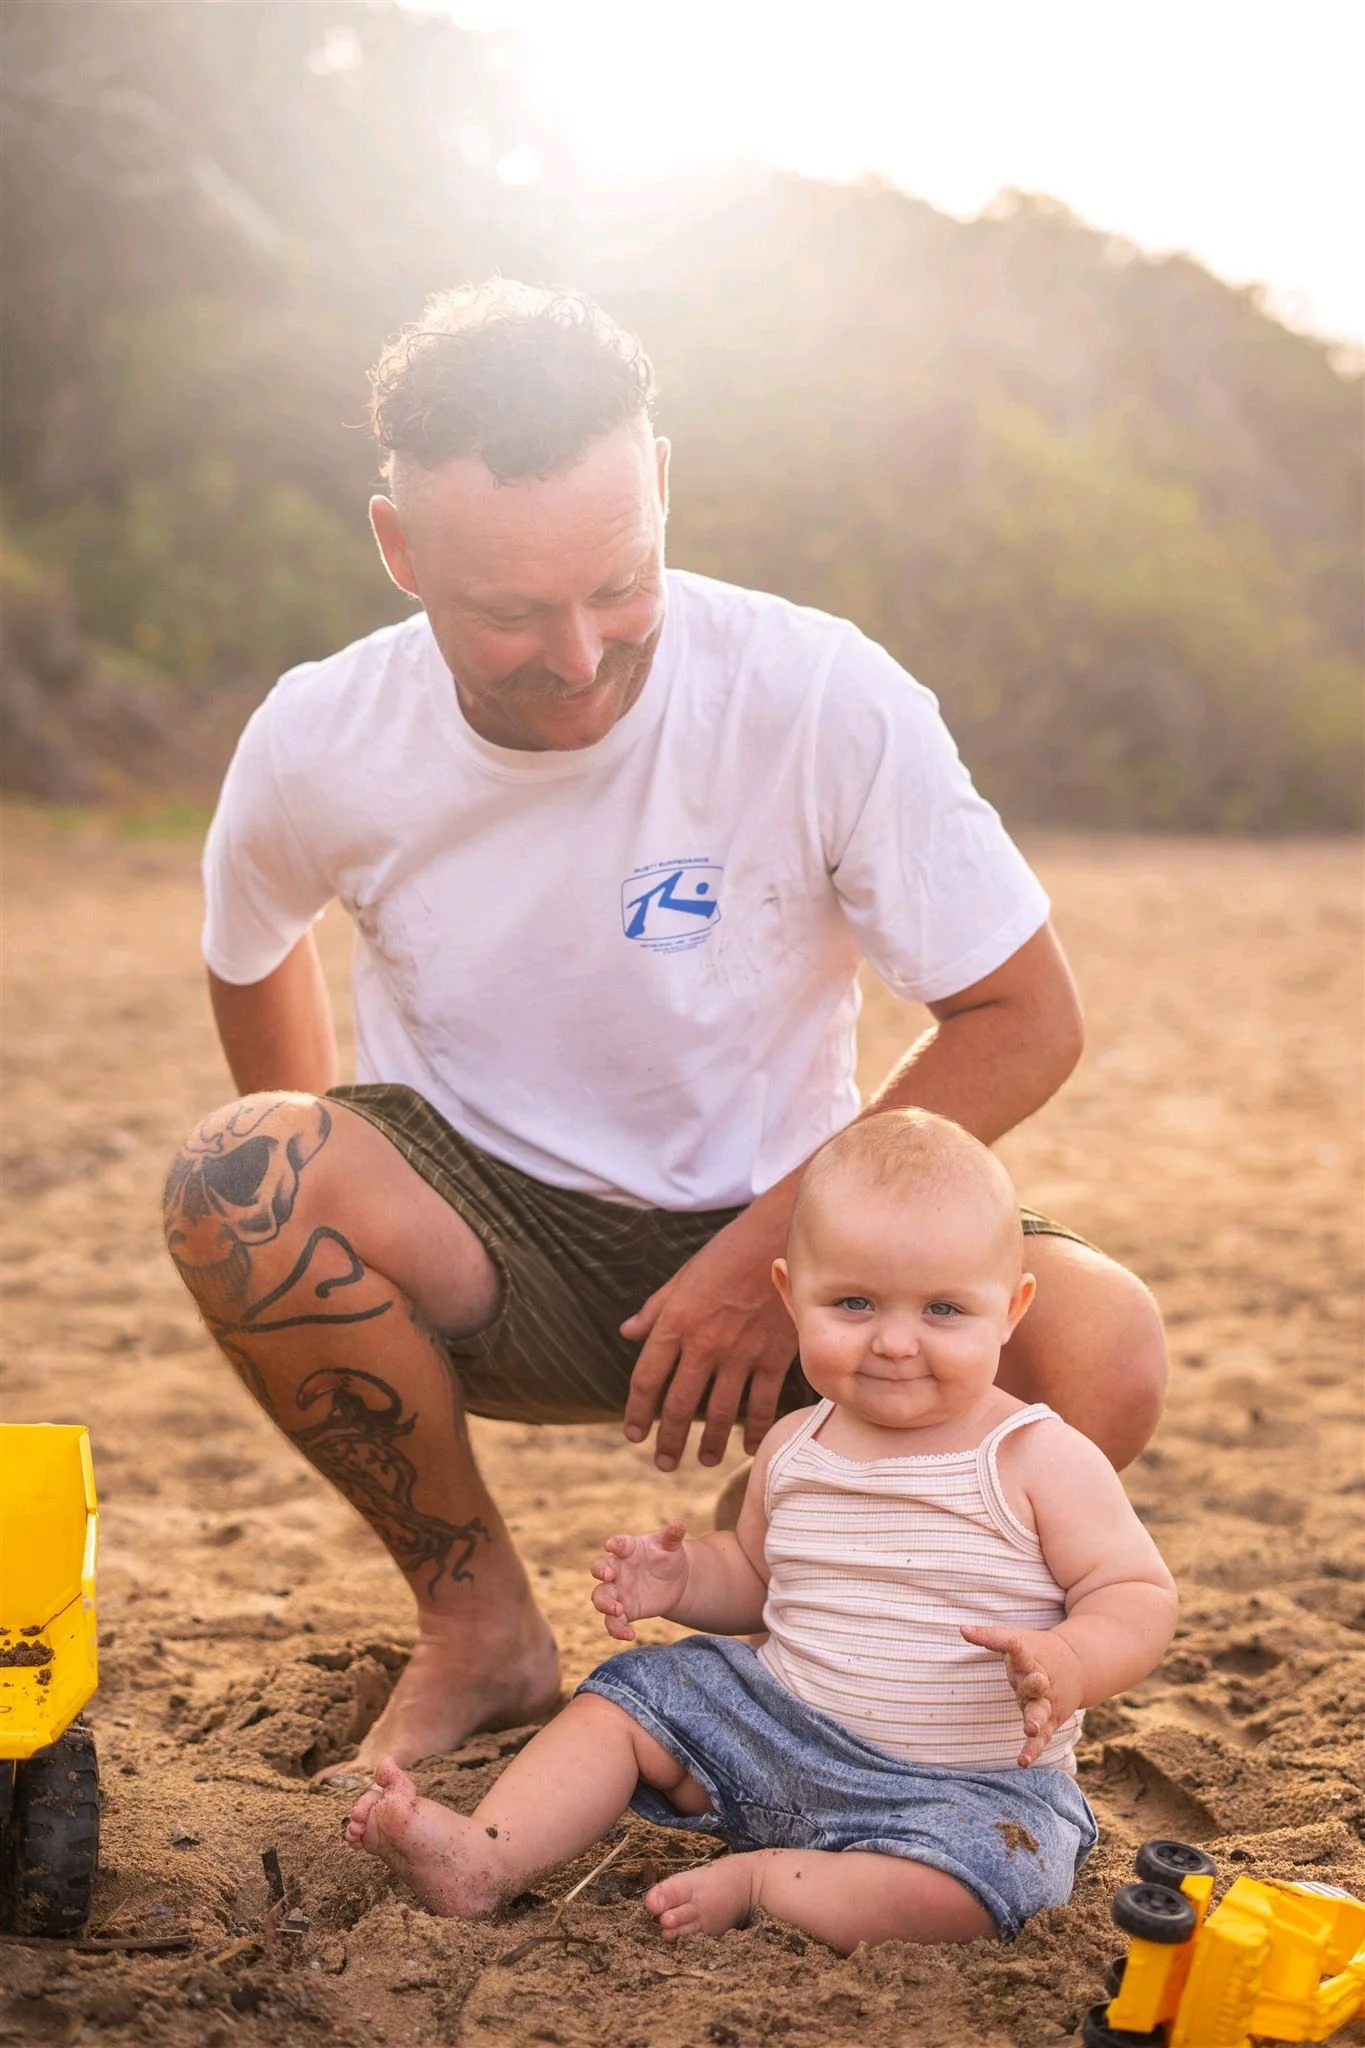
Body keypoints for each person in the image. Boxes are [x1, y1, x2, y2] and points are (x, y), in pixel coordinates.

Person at [164, 280, 1168, 1778]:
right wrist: (309, 1234)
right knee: (238, 1179)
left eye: (618, 586)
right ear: (400, 550)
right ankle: (478, 1625)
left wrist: (773, 1254)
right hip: (489, 1243)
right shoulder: (322, 733)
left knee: (1103, 1347)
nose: (577, 657)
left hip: (798, 1242)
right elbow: (249, 952)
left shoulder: (819, 692)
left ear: (663, 488)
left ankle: (786, 1576)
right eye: (510, 613)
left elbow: (1025, 1016)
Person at [343, 1110, 1178, 1951]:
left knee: (998, 1875)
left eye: (943, 1309)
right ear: (789, 1296)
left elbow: (1134, 1593)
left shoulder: (1037, 1456)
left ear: (1011, 1310)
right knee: (630, 1696)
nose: (894, 1342)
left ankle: (764, 1882)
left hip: (960, 1790)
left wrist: (1071, 1660)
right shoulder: (794, 1445)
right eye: (852, 1303)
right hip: (776, 1738)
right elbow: (756, 1572)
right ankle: (489, 1854)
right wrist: (681, 1581)